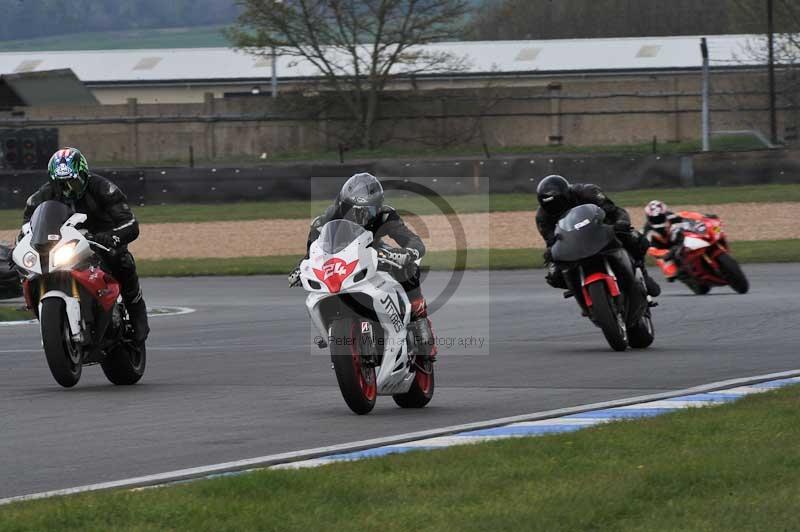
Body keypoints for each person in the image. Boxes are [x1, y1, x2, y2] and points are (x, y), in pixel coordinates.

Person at [289, 172, 436, 362]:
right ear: (343, 204)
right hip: (343, 259)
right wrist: (300, 268)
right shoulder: (325, 220)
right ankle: (331, 332)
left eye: (368, 210)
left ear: (378, 206)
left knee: (409, 268)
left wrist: (408, 253)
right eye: (353, 209)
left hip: (374, 251)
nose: (361, 215)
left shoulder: (385, 215)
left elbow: (413, 241)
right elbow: (311, 254)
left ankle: (418, 319)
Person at [21, 148, 149, 346]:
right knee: (31, 271)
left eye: (73, 182)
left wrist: (113, 236)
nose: (68, 189)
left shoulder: (103, 188)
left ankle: (136, 311)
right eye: (61, 184)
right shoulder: (42, 196)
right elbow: (28, 226)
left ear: (83, 175)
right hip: (62, 244)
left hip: (100, 240)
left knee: (122, 260)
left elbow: (130, 223)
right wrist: (21, 243)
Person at [535, 174, 661, 297]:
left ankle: (642, 272)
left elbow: (614, 211)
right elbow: (551, 240)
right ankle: (581, 292)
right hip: (573, 242)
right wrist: (550, 253)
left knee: (636, 239)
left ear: (567, 194)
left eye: (558, 203)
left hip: (602, 229)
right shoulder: (542, 216)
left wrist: (621, 223)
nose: (556, 208)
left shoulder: (587, 191)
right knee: (554, 276)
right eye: (550, 207)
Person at [642, 200, 685, 281]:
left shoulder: (672, 216)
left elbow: (687, 216)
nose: (657, 219)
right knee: (671, 273)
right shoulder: (648, 230)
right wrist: (666, 253)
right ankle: (672, 270)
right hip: (665, 251)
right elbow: (650, 249)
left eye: (660, 217)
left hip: (679, 243)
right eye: (653, 218)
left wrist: (703, 217)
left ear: (664, 213)